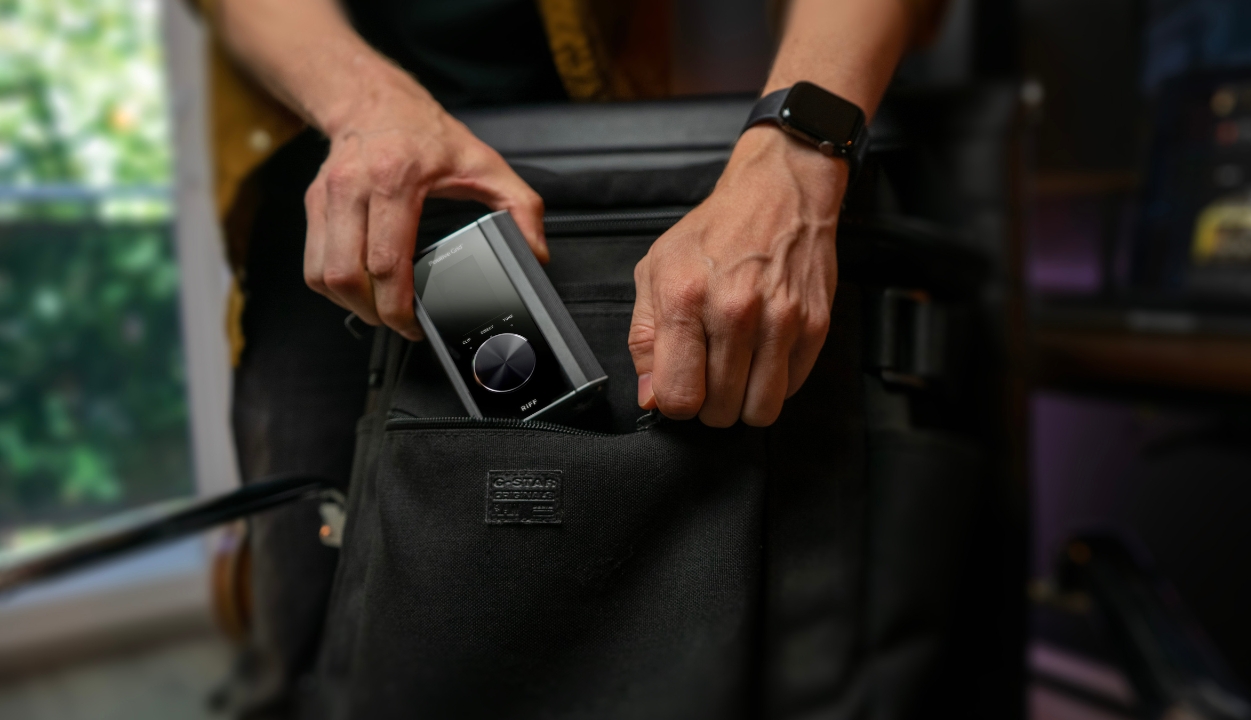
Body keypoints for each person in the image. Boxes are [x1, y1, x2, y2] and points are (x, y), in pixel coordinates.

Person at [201, 0, 946, 716]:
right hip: (351, 204)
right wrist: (367, 106)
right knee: (305, 639)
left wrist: (798, 150)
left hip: (616, 190)